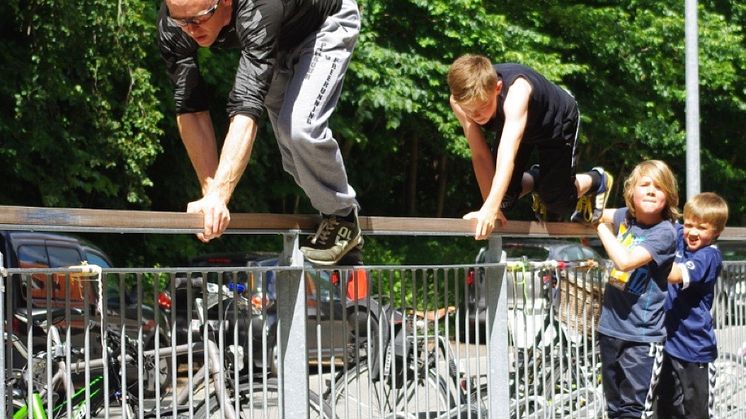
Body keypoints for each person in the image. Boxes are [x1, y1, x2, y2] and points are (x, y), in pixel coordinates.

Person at [157, 0, 362, 265]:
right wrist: (211, 195)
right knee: (291, 153)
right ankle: (335, 218)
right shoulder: (173, 26)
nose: (190, 30)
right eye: (181, 21)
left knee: (300, 129)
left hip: (323, 23)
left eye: (198, 19)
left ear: (226, 3)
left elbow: (246, 108)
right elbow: (191, 110)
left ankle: (343, 217)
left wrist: (221, 196)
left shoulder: (258, 8)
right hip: (275, 40)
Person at [447, 54, 613, 239]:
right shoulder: (458, 102)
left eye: (484, 106)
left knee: (557, 203)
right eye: (470, 110)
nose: (476, 115)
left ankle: (596, 180)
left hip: (555, 120)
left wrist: (490, 208)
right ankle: (537, 178)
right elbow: (479, 154)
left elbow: (507, 154)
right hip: (516, 127)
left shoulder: (517, 92)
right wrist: (491, 208)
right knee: (503, 200)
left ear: (497, 88)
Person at [594, 159, 679, 418]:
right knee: (614, 408)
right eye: (644, 185)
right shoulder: (626, 218)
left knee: (634, 411)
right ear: (631, 192)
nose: (651, 190)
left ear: (669, 196)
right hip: (610, 330)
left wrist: (599, 227)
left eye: (659, 187)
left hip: (641, 339)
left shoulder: (664, 232)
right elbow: (596, 213)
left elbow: (625, 261)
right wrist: (592, 211)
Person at [656, 192, 729, 419]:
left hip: (694, 350)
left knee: (696, 413)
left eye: (702, 228)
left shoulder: (709, 256)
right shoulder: (681, 236)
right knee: (666, 409)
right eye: (689, 225)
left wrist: (643, 257)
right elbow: (662, 220)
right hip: (667, 344)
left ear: (716, 232)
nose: (693, 232)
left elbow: (676, 274)